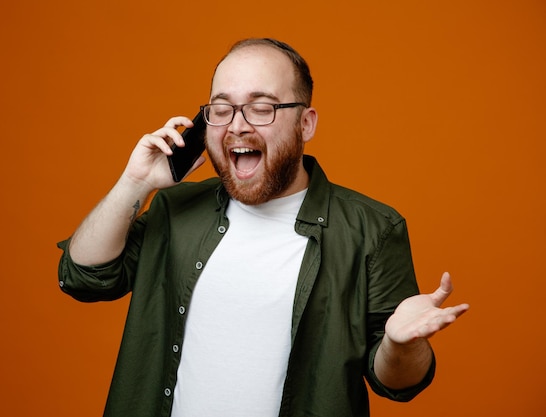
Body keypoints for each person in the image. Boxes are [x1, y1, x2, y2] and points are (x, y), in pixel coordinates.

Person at [57, 38, 469, 417]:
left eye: (261, 107)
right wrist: (137, 182)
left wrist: (399, 344)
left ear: (305, 124)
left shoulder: (372, 230)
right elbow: (83, 278)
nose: (237, 125)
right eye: (221, 108)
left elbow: (398, 383)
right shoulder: (174, 210)